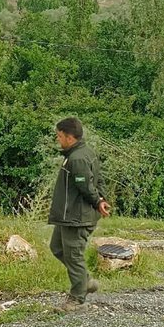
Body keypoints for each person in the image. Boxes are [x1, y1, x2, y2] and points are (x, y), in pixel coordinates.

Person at [48, 117, 110, 310]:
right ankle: (86, 281)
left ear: (69, 136)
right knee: (57, 247)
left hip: (77, 217)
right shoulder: (81, 153)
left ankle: (77, 298)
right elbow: (97, 182)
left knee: (73, 255)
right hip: (68, 215)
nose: (58, 139)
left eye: (59, 136)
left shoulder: (78, 158)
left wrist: (98, 201)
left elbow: (86, 185)